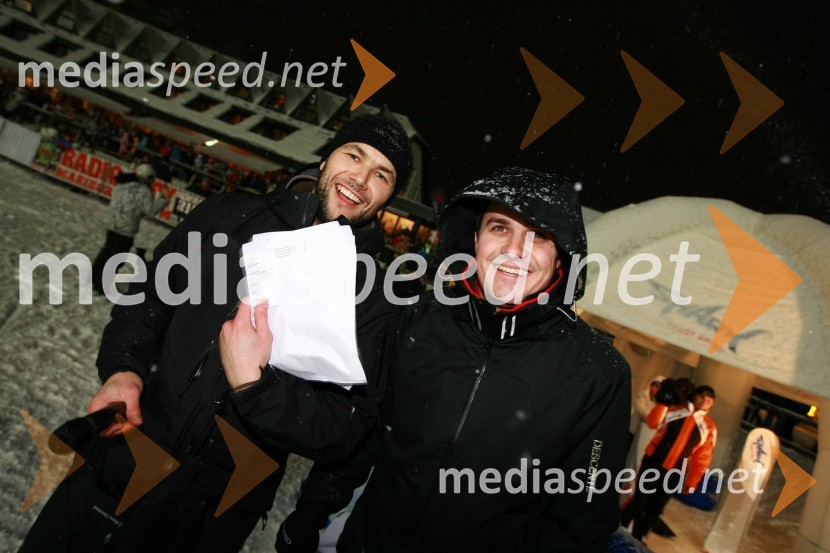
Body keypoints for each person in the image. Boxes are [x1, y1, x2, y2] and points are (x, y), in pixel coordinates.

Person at [19, 114, 413, 553]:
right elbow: (147, 300)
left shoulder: (373, 297)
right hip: (123, 452)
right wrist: (123, 369)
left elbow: (344, 428)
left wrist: (255, 387)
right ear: (325, 159)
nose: (360, 179)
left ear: (389, 197)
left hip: (210, 510)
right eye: (353, 156)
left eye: (381, 174)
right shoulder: (227, 215)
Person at [276, 167, 632, 552]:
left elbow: (581, 521)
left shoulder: (597, 374)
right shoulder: (420, 320)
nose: (514, 251)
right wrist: (312, 511)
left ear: (561, 256)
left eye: (539, 236)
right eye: (499, 228)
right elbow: (367, 432)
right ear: (475, 239)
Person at [621, 383, 717, 543]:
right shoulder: (676, 409)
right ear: (695, 395)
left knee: (656, 507)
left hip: (675, 473)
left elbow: (703, 458)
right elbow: (653, 422)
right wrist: (663, 403)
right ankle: (624, 528)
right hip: (654, 462)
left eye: (709, 399)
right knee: (640, 499)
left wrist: (692, 481)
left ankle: (640, 537)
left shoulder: (709, 427)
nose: (705, 401)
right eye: (702, 396)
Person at [90, 163, 169, 293]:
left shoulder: (122, 185)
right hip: (126, 230)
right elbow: (149, 210)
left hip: (112, 224)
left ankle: (93, 277)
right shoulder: (144, 191)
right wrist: (163, 199)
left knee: (106, 252)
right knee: (116, 259)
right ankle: (101, 284)